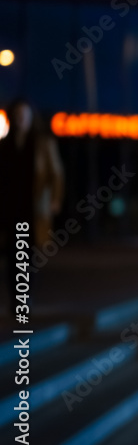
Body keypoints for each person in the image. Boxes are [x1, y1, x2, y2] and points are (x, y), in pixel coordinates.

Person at [0, 99, 64, 317]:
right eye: (17, 115)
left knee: (27, 254)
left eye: (24, 115)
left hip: (33, 208)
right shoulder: (5, 144)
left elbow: (55, 174)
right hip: (10, 208)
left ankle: (24, 299)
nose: (20, 119)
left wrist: (54, 200)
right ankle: (15, 301)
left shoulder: (42, 143)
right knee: (11, 254)